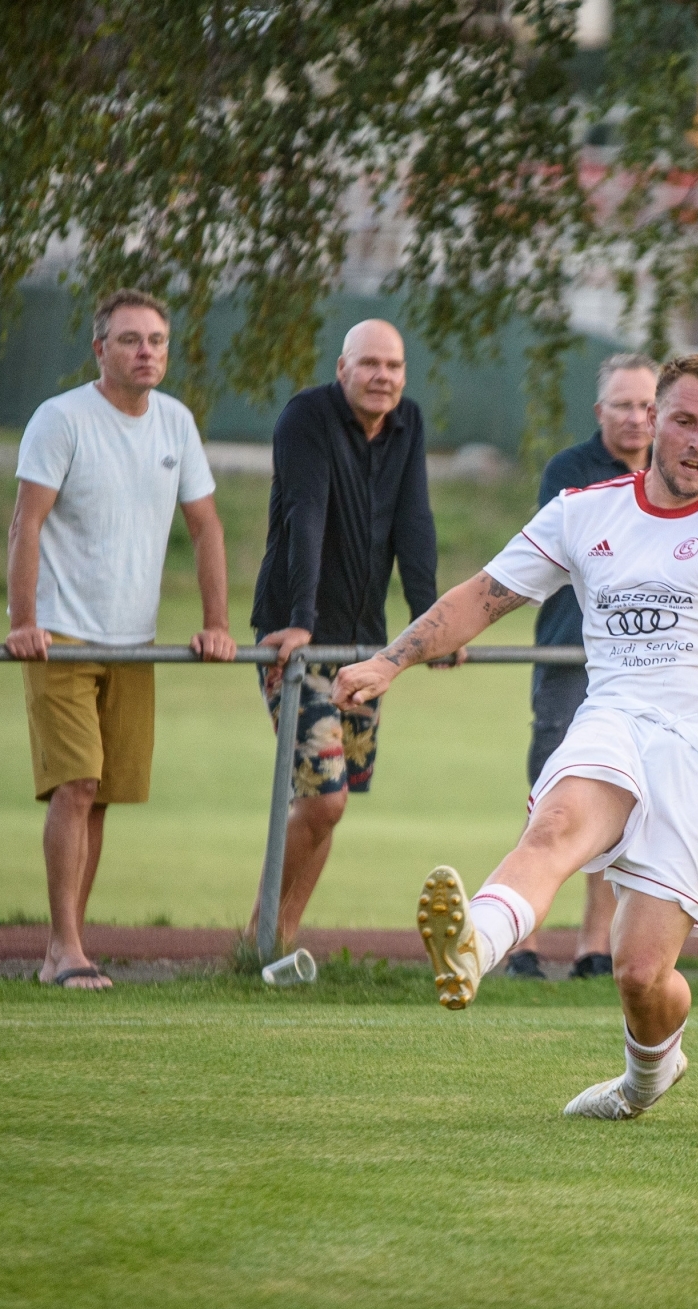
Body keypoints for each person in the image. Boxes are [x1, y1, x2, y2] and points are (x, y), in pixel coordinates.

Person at [333, 354, 698, 1120]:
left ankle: (645, 1079)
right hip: (617, 720)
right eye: (685, 422)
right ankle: (477, 946)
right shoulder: (584, 510)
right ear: (652, 422)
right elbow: (484, 597)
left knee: (638, 974)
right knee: (556, 825)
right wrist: (392, 659)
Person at [6, 288, 236, 990]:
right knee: (73, 786)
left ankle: (66, 948)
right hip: (63, 638)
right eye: (132, 340)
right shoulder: (62, 419)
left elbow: (206, 528)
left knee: (98, 792)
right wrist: (23, 620)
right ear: (99, 348)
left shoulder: (175, 424)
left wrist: (218, 624)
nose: (147, 352)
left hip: (134, 643)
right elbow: (27, 524)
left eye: (158, 341)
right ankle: (64, 948)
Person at [248, 320, 440, 949]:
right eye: (370, 365)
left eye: (394, 366)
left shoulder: (407, 423)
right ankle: (258, 938)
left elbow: (414, 521)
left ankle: (280, 941)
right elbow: (307, 513)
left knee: (335, 800)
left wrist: (427, 624)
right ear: (342, 368)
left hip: (367, 647)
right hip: (297, 639)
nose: (383, 377)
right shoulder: (305, 419)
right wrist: (299, 619)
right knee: (323, 798)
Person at [505, 352, 660, 981]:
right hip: (571, 656)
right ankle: (522, 944)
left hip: (641, 667)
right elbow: (566, 556)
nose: (636, 418)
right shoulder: (569, 473)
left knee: (617, 801)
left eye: (648, 406)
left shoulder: (675, 474)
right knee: (549, 798)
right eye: (623, 405)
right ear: (600, 412)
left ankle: (595, 948)